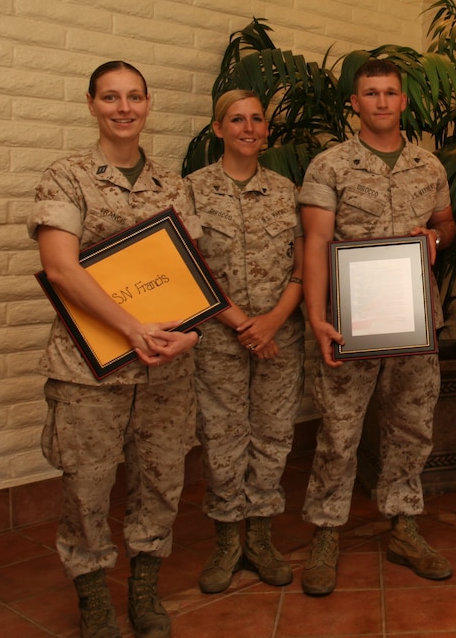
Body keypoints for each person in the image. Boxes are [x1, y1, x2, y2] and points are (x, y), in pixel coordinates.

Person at [28, 61, 202, 638]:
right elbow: (60, 269)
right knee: (87, 486)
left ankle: (146, 588)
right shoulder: (67, 177)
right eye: (110, 97)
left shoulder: (174, 186)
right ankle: (94, 598)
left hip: (165, 369)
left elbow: (194, 277)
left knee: (160, 481)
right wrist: (131, 327)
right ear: (91, 104)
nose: (123, 108)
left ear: (148, 104)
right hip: (88, 371)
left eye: (134, 97)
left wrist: (192, 333)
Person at [297, 58, 456, 597]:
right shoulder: (330, 166)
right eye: (371, 93)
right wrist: (317, 318)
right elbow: (315, 244)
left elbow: (446, 224)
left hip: (415, 320)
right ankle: (326, 531)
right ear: (355, 103)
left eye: (390, 92)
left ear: (404, 101)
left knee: (412, 425)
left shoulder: (429, 165)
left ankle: (404, 524)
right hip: (353, 321)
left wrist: (435, 239)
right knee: (340, 431)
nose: (382, 101)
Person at [185, 90, 305, 593]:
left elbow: (303, 265)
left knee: (274, 435)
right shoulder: (190, 190)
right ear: (218, 129)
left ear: (267, 131)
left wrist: (273, 319)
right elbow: (188, 269)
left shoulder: (285, 191)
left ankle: (260, 536)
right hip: (219, 338)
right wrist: (243, 325)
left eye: (257, 119)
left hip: (281, 334)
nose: (248, 127)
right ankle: (227, 538)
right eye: (237, 119)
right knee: (222, 437)